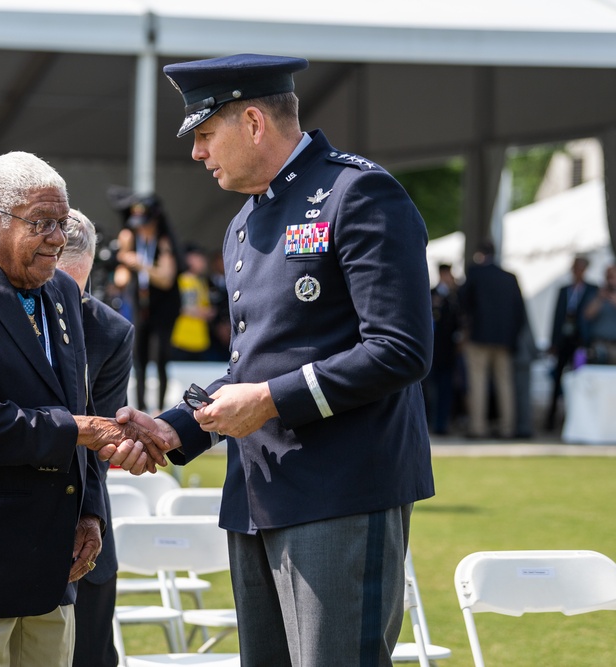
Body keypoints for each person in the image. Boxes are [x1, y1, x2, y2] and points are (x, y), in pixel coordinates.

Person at [118, 53, 435, 666]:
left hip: (340, 491)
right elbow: (253, 363)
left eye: (206, 135)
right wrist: (174, 428)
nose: (197, 154)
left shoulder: (359, 192)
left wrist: (268, 401)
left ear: (254, 122)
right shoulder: (246, 221)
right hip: (259, 495)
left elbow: (400, 349)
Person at [0, 151, 166, 667]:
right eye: (43, 223)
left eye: (63, 222)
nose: (57, 238)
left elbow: (85, 406)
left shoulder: (63, 291)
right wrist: (76, 429)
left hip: (54, 569)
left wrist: (90, 511)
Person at [57, 209, 134, 667]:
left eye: (77, 288)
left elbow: (102, 445)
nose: (67, 300)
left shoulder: (109, 330)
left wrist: (90, 516)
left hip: (85, 528)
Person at [111, 192, 180, 413]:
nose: (142, 228)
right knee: (137, 359)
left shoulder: (165, 241)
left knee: (160, 358)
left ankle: (160, 410)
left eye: (146, 223)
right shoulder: (130, 238)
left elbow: (166, 279)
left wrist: (141, 265)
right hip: (139, 306)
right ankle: (140, 409)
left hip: (163, 307)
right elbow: (121, 275)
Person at [458, 240, 527, 439]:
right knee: (505, 384)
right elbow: (519, 312)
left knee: (477, 382)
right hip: (504, 340)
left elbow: (462, 300)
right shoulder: (509, 277)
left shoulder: (475, 273)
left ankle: (478, 427)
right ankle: (507, 428)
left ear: (479, 255)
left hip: (478, 337)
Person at [545, 255, 597, 430]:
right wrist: (553, 342)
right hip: (563, 340)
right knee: (557, 378)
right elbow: (556, 316)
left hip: (580, 341)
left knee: (579, 378)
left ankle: (576, 417)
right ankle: (551, 418)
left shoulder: (592, 289)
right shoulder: (564, 290)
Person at [426, 263, 462, 435]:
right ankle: (429, 423)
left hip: (447, 352)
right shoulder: (431, 294)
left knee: (446, 390)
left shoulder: (454, 297)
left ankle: (442, 424)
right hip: (432, 350)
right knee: (430, 390)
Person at [171, 244, 215, 361]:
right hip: (183, 339)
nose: (203, 262)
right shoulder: (183, 280)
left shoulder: (201, 281)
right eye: (199, 258)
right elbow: (181, 307)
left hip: (200, 341)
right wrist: (203, 312)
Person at [583, 264, 616, 363]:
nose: (610, 280)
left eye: (613, 276)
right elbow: (587, 315)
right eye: (608, 276)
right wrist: (599, 298)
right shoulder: (596, 294)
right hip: (599, 344)